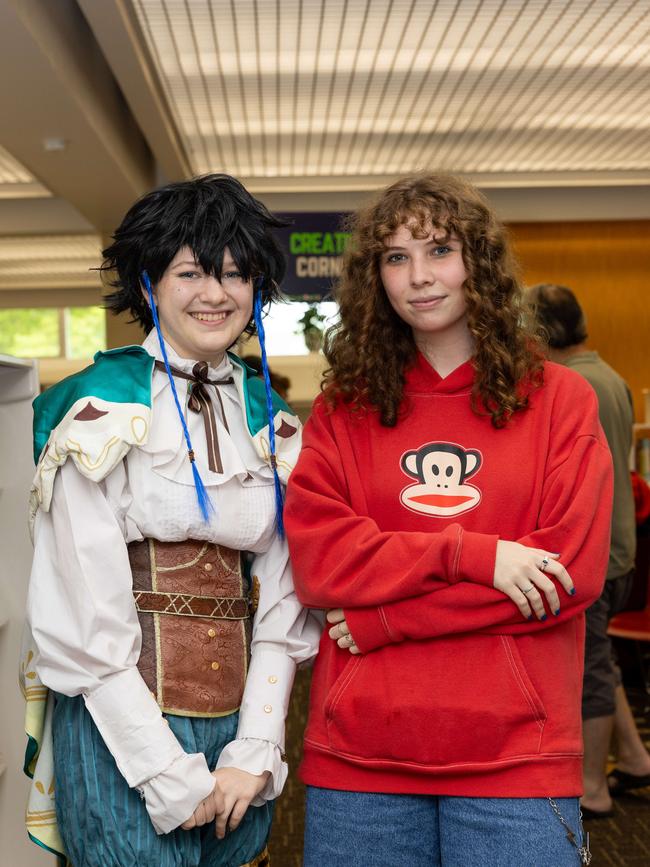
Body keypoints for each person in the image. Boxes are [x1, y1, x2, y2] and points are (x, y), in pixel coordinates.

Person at [284, 173, 614, 867]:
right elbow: (320, 562)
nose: (419, 277)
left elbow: (568, 574)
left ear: (480, 263)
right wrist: (477, 555)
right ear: (376, 277)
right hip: (362, 757)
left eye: (439, 250)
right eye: (396, 258)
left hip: (518, 758)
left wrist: (385, 618)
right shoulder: (345, 408)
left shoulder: (561, 401)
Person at [20, 173, 320, 867]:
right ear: (149, 282)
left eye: (236, 274)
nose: (215, 294)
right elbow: (85, 619)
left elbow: (282, 603)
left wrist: (256, 749)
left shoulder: (269, 422)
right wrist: (164, 768)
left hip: (238, 721)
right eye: (191, 272)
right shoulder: (97, 409)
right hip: (118, 724)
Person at [528, 283, 650, 818]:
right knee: (601, 658)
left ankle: (593, 788)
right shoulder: (615, 378)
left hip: (594, 553)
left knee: (591, 669)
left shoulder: (571, 385)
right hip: (623, 544)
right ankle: (636, 755)